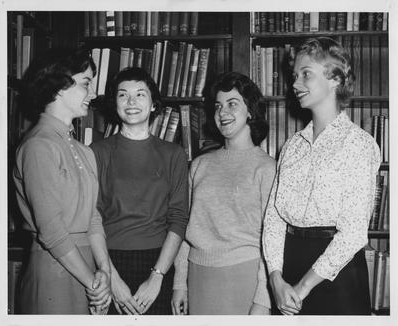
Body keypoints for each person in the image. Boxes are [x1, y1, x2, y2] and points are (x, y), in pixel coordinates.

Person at [263, 37, 381, 315]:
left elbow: (353, 234)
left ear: (335, 80)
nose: (294, 84)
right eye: (295, 76)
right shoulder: (292, 146)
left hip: (336, 276)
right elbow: (273, 219)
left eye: (306, 74)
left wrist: (302, 288)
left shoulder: (358, 143)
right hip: (288, 269)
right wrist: (275, 278)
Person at [13, 48, 111, 314]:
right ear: (58, 86)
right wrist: (93, 284)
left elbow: (93, 218)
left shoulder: (85, 151)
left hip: (88, 269)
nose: (92, 94)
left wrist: (105, 272)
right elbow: (52, 231)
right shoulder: (39, 146)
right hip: (53, 271)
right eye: (86, 83)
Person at [172, 72, 276, 315]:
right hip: (199, 277)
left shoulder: (266, 168)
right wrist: (179, 284)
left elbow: (272, 242)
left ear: (250, 111)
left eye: (232, 104)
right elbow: (187, 227)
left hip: (243, 277)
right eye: (218, 106)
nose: (223, 112)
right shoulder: (200, 165)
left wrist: (263, 300)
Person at [90, 67, 189, 315]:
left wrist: (157, 277)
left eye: (140, 94)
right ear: (115, 103)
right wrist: (110, 277)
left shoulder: (173, 154)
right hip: (108, 261)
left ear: (154, 104)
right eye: (123, 95)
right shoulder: (97, 152)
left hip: (158, 262)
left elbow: (178, 218)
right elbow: (92, 217)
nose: (131, 102)